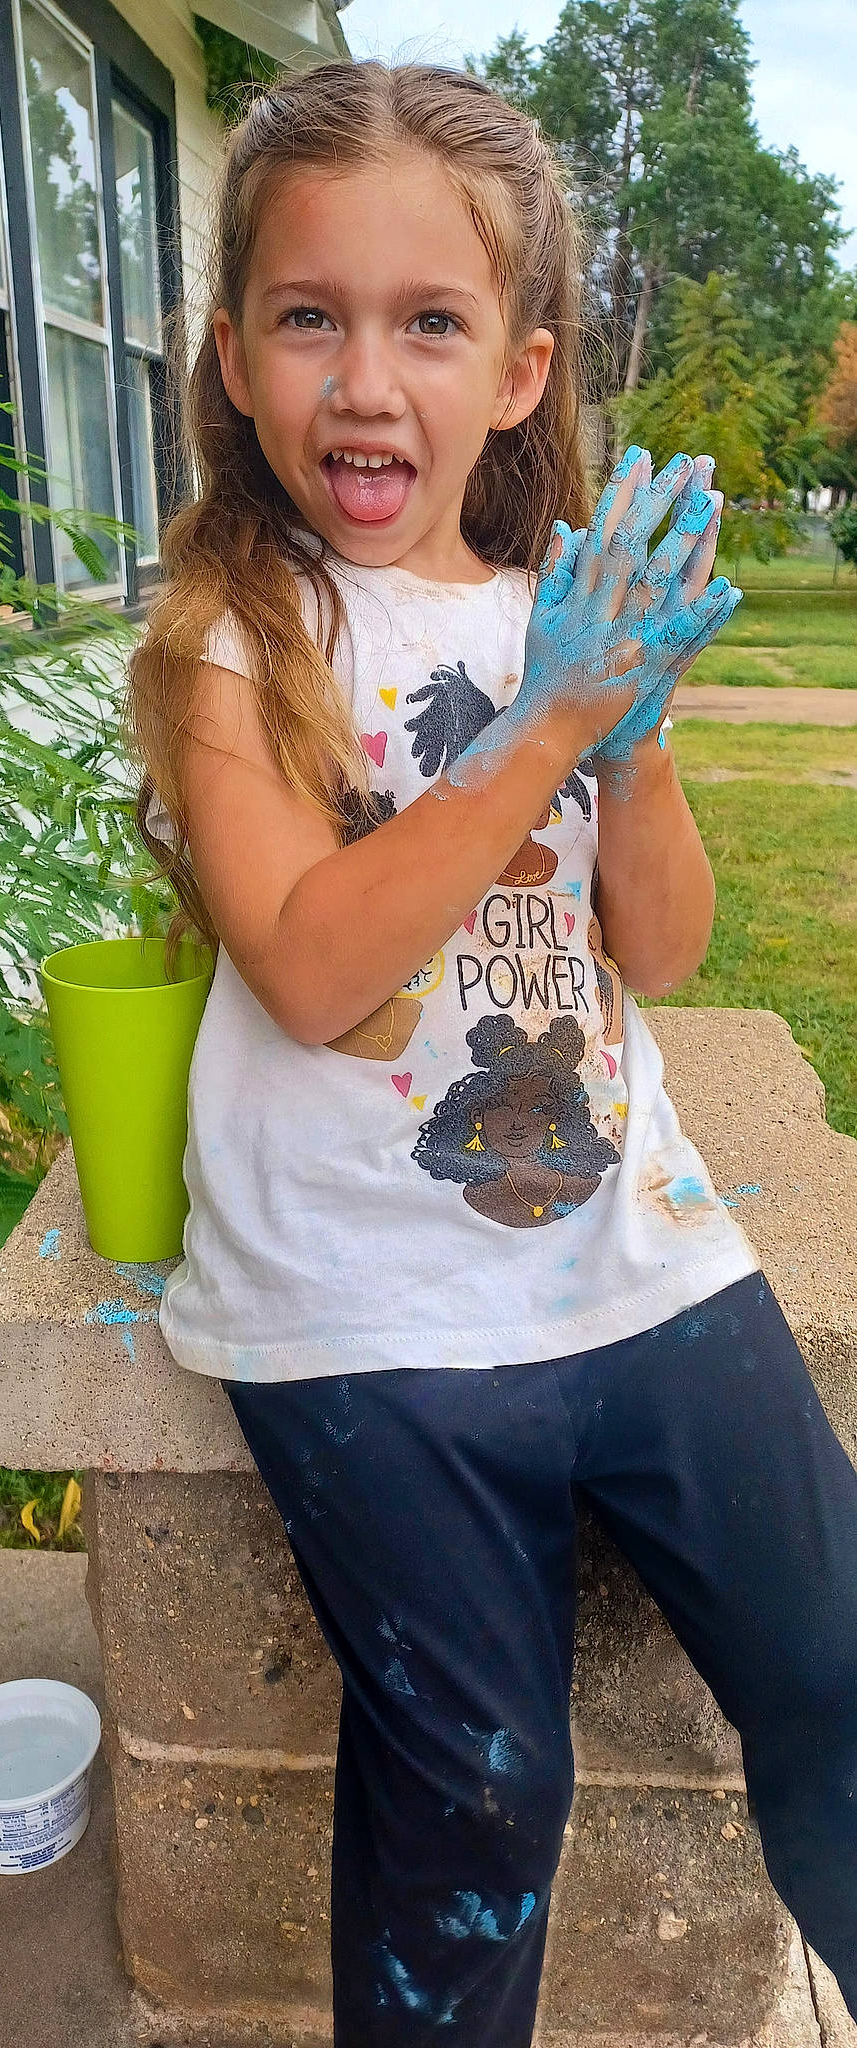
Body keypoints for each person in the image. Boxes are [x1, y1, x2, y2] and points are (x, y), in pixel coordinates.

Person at [124, 60, 857, 2046]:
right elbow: (303, 965)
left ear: (519, 370)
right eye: (311, 317)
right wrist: (540, 728)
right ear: (231, 357)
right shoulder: (236, 635)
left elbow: (664, 945)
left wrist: (626, 739)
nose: (368, 381)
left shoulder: (556, 611)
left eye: (428, 323)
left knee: (837, 1662)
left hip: (625, 1248)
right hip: (361, 1301)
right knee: (478, 1779)